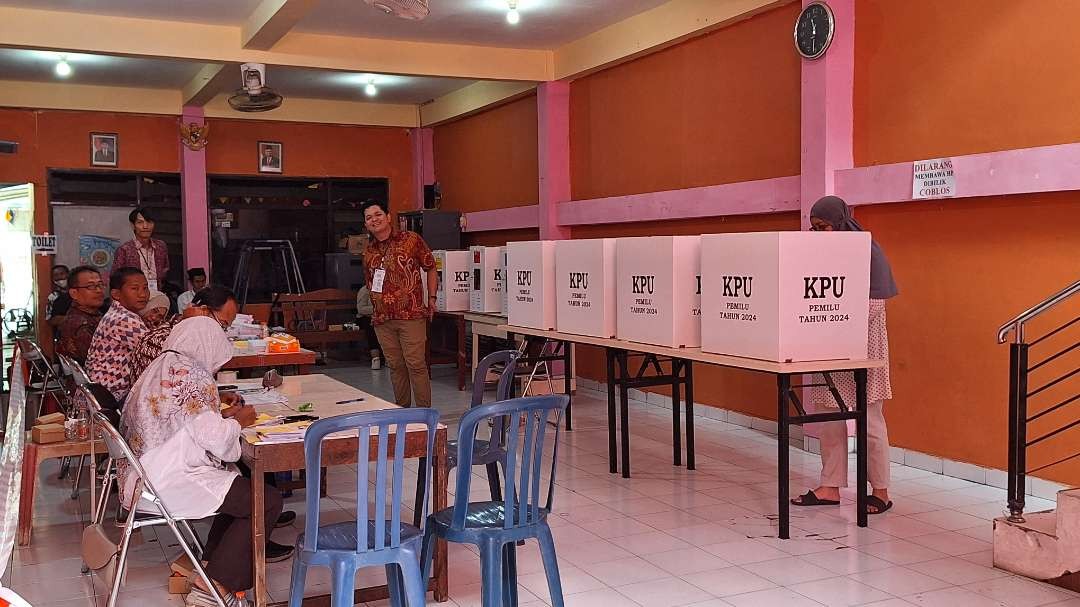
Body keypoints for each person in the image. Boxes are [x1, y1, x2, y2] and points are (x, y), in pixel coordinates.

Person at [119, 317, 292, 605]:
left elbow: (180, 421)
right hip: (169, 480)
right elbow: (220, 443)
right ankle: (216, 587)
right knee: (266, 499)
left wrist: (219, 414)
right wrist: (239, 421)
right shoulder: (192, 374)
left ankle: (209, 570)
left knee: (239, 492)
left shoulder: (160, 366)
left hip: (142, 477)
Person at [792, 195, 900, 515]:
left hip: (865, 346)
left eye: (823, 227)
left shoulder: (868, 251)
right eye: (814, 228)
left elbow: (874, 304)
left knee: (870, 420)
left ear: (840, 222)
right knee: (830, 418)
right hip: (829, 345)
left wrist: (832, 321)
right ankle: (830, 487)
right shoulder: (823, 252)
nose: (819, 233)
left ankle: (880, 491)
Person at [361, 200, 437, 408]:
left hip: (410, 315)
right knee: (395, 366)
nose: (374, 220)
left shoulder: (411, 240)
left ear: (388, 216)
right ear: (366, 225)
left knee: (416, 365)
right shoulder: (368, 252)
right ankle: (402, 412)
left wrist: (431, 298)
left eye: (377, 214)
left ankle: (424, 415)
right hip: (383, 319)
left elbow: (430, 267)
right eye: (369, 218)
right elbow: (371, 283)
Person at [86, 267, 150, 404]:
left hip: (101, 390)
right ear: (116, 294)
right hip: (113, 395)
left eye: (145, 288)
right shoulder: (124, 319)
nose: (143, 294)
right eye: (135, 289)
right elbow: (155, 352)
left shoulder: (117, 313)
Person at [55, 266, 107, 364]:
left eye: (100, 285)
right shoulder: (80, 324)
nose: (99, 290)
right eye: (91, 286)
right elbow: (100, 362)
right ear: (74, 293)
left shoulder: (92, 314)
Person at [112, 207, 169, 293]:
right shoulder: (124, 249)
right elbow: (115, 277)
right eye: (140, 222)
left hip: (157, 294)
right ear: (132, 225)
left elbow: (166, 268)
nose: (145, 226)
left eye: (149, 222)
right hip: (133, 296)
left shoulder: (161, 246)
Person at [356, 284, 383, 370]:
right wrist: (377, 309)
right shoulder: (365, 290)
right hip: (365, 317)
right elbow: (361, 309)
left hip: (382, 316)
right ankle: (375, 358)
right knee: (371, 324)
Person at [46, 264, 71, 329]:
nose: (59, 277)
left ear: (68, 275)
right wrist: (69, 319)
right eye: (56, 275)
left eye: (62, 274)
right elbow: (49, 320)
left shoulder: (78, 293)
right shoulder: (52, 297)